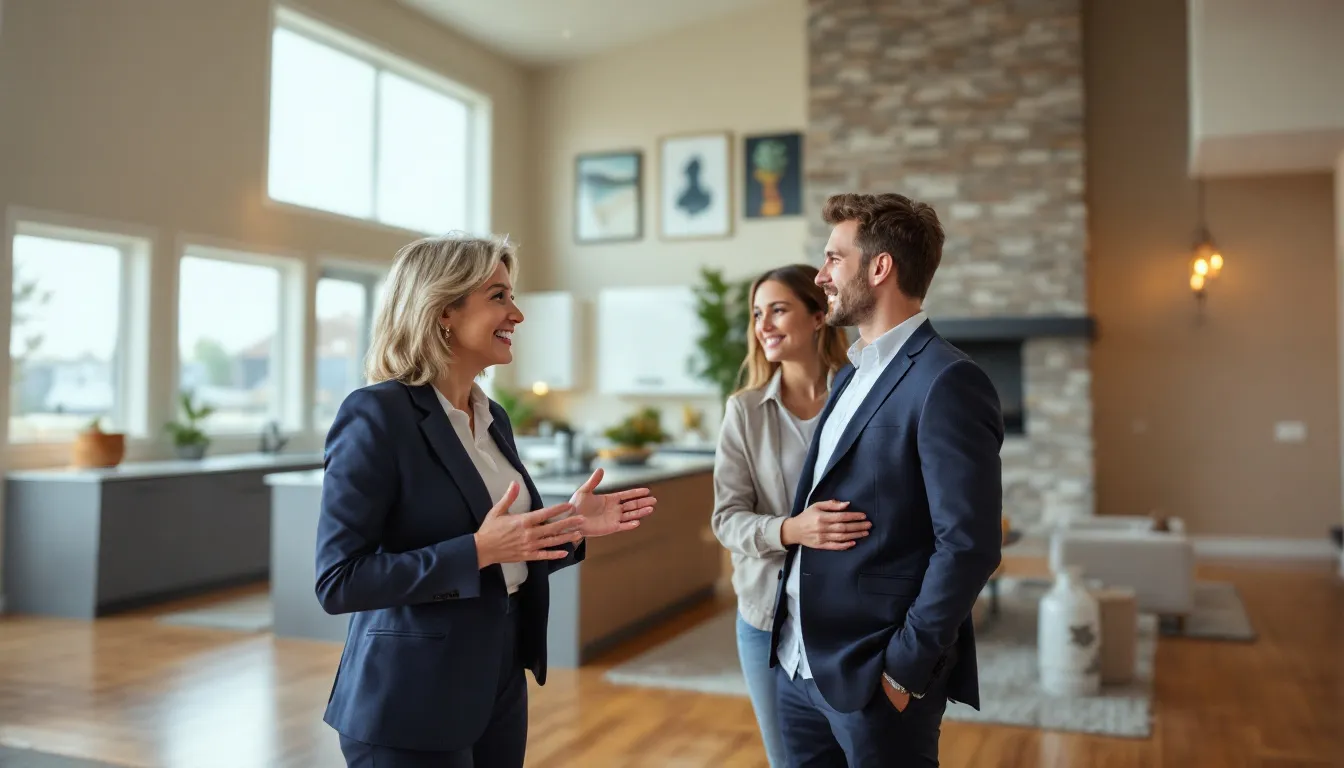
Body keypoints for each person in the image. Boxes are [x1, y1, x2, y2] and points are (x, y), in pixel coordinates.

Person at [314, 233, 658, 768]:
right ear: (443, 309)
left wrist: (570, 526)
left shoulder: (492, 417)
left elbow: (507, 551)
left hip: (497, 678)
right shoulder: (377, 415)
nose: (516, 313)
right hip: (410, 696)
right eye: (499, 296)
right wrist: (475, 551)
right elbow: (339, 582)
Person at [769, 193, 1005, 766]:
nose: (821, 276)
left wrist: (903, 668)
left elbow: (969, 545)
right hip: (796, 665)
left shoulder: (948, 381)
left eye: (833, 259)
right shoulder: (851, 374)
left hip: (876, 680)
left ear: (880, 268)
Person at [710, 264, 854, 767]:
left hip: (851, 612)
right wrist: (791, 530)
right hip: (767, 619)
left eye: (778, 309)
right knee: (790, 761)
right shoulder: (744, 412)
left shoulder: (860, 397)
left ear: (819, 317)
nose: (763, 325)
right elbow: (726, 518)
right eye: (756, 314)